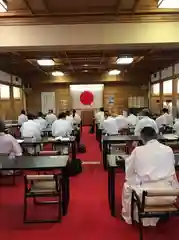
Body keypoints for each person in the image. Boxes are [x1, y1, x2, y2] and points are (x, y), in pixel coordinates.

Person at [122, 127, 178, 226]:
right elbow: (172, 168)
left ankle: (132, 216)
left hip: (146, 195)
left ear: (142, 138)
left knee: (127, 185)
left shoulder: (138, 150)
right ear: (156, 136)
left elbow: (129, 171)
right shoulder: (168, 149)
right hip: (169, 194)